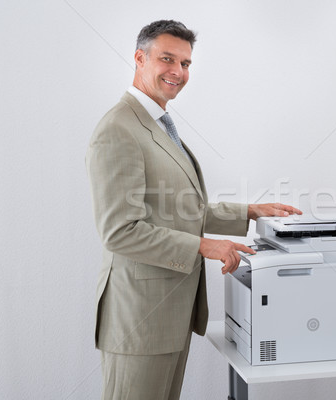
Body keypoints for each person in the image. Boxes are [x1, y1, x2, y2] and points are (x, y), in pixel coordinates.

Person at [86, 19, 301, 400]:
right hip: (140, 318)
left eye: (185, 64)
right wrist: (205, 246)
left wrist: (248, 211)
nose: (178, 72)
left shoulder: (157, 124)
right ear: (140, 58)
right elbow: (120, 231)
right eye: (167, 59)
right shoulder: (119, 129)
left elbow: (176, 209)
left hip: (168, 314)